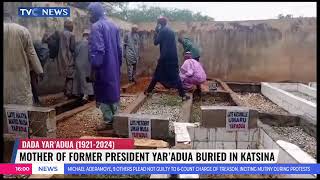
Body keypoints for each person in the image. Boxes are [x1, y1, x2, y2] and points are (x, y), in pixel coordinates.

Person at [87, 2, 122, 130]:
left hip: (103, 65)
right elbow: (119, 48)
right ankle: (118, 119)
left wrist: (94, 68)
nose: (88, 16)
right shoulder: (114, 25)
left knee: (103, 92)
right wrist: (118, 64)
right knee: (113, 90)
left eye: (90, 13)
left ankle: (108, 121)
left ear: (95, 12)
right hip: (114, 64)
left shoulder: (96, 26)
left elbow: (98, 50)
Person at [144, 16, 190, 101]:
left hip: (164, 58)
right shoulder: (171, 31)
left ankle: (148, 91)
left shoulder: (162, 31)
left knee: (157, 75)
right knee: (176, 76)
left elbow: (155, 42)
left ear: (159, 24)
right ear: (166, 22)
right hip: (173, 57)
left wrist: (156, 32)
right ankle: (183, 95)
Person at [4, 10, 44, 106]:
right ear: (11, 18)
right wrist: (39, 71)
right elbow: (32, 53)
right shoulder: (22, 30)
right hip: (20, 72)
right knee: (21, 100)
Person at [56, 20, 76, 99]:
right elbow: (72, 48)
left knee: (66, 76)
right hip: (69, 58)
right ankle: (68, 93)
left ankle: (65, 91)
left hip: (60, 58)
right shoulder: (71, 35)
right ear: (71, 27)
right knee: (70, 77)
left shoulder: (59, 34)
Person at [73, 30, 95, 102]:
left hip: (78, 64)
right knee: (87, 80)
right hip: (87, 64)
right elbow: (91, 55)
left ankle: (80, 94)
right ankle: (87, 96)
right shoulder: (90, 44)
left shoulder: (78, 44)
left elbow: (75, 54)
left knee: (80, 80)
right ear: (88, 36)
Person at [31, 37, 50, 105]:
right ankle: (36, 101)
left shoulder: (38, 43)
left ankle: (35, 100)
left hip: (30, 64)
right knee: (33, 82)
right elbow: (42, 60)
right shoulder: (45, 48)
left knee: (33, 82)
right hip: (34, 66)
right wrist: (40, 71)